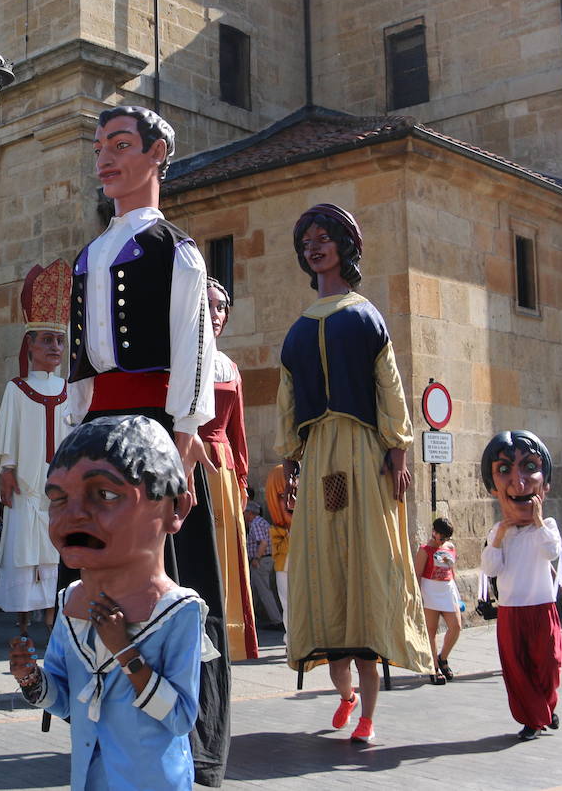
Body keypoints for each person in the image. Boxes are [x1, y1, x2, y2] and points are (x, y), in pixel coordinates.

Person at [64, 105, 227, 786]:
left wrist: (184, 436)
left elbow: (195, 345)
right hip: (100, 426)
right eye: (101, 145)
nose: (106, 157)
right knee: (102, 567)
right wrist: (72, 440)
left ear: (158, 154)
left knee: (177, 577)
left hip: (158, 427)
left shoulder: (176, 249)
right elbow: (79, 361)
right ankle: (107, 727)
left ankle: (200, 743)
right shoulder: (88, 254)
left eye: (122, 144)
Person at [276, 203, 432, 744]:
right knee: (322, 561)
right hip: (319, 456)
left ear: (345, 247)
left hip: (364, 452)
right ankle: (343, 692)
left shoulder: (366, 317)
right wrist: (292, 460)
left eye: (323, 238)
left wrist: (399, 451)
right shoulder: (296, 331)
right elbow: (289, 399)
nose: (314, 247)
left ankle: (367, 712)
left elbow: (390, 386)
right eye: (307, 241)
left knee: (368, 558)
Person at [9, 416, 209, 791]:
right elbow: (67, 702)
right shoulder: (71, 602)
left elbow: (181, 718)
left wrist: (125, 652)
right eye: (58, 499)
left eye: (105, 494)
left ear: (175, 508)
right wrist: (31, 678)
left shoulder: (178, 612)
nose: (73, 515)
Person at [0, 260, 72, 634]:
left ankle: (53, 620)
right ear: (31, 345)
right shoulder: (17, 389)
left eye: (59, 340)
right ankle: (23, 623)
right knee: (24, 551)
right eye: (47, 340)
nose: (54, 347)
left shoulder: (71, 391)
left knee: (56, 553)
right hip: (26, 486)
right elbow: (8, 434)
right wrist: (6, 469)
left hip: (59, 488)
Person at [481, 431, 562, 741]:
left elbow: (551, 552)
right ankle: (533, 719)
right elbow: (491, 569)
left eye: (530, 467)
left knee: (550, 665)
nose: (519, 482)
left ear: (545, 483)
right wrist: (500, 535)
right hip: (512, 611)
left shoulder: (549, 527)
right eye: (504, 470)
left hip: (542, 608)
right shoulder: (497, 533)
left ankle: (545, 708)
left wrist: (539, 520)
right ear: (493, 488)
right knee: (518, 670)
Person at [198, 277, 258, 661]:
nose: (216, 314)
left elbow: (238, 431)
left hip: (223, 467)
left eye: (221, 307)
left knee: (227, 552)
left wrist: (241, 478)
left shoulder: (231, 369)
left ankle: (230, 636)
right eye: (209, 305)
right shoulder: (179, 359)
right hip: (190, 463)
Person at [415, 517, 462, 685]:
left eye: (445, 538)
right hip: (430, 590)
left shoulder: (450, 547)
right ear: (434, 532)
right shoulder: (424, 549)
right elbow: (418, 574)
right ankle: (434, 667)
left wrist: (457, 592)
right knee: (431, 630)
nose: (442, 541)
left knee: (456, 626)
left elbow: (452, 570)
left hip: (447, 589)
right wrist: (418, 596)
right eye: (440, 537)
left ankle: (443, 657)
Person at [263, 464, 296, 632]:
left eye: (294, 493)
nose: (289, 501)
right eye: (282, 495)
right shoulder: (278, 533)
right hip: (284, 568)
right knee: (287, 603)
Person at [243, 502, 283, 629]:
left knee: (264, 591)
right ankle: (252, 618)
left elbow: (263, 542)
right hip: (265, 559)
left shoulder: (256, 524)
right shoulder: (261, 522)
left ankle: (276, 620)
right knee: (254, 590)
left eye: (244, 512)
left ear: (250, 513)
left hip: (261, 561)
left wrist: (256, 558)